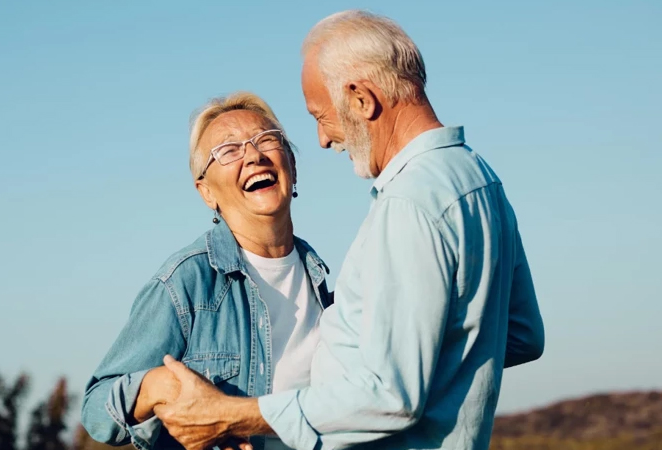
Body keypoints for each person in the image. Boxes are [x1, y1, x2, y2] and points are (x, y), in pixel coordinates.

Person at [153, 10, 546, 450]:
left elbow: (390, 396)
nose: (323, 139)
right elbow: (522, 335)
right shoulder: (479, 177)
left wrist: (232, 416)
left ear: (361, 99)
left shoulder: (407, 204)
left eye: (321, 116)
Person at [80, 92, 332, 450]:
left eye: (266, 140)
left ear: (291, 165)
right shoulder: (186, 281)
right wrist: (161, 385)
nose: (254, 155)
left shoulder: (321, 279)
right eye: (228, 151)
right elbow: (96, 408)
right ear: (206, 192)